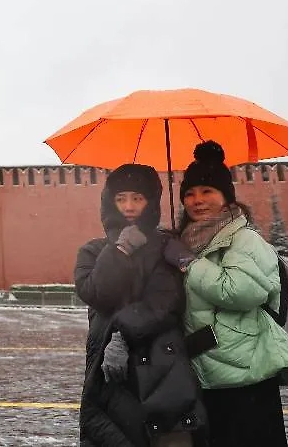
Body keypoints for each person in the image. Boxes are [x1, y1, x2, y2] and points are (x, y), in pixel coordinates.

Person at [162, 141, 288, 447]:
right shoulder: (187, 242)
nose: (196, 200)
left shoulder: (243, 240)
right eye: (189, 193)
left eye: (206, 191)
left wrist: (188, 262)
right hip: (206, 374)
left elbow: (241, 291)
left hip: (246, 378)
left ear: (226, 196)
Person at [75, 163, 207, 446]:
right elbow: (96, 293)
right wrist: (120, 251)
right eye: (121, 198)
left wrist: (121, 335)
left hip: (161, 367)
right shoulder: (94, 251)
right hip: (108, 370)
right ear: (110, 202)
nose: (129, 206)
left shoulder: (167, 248)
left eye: (137, 197)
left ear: (151, 202)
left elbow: (166, 302)